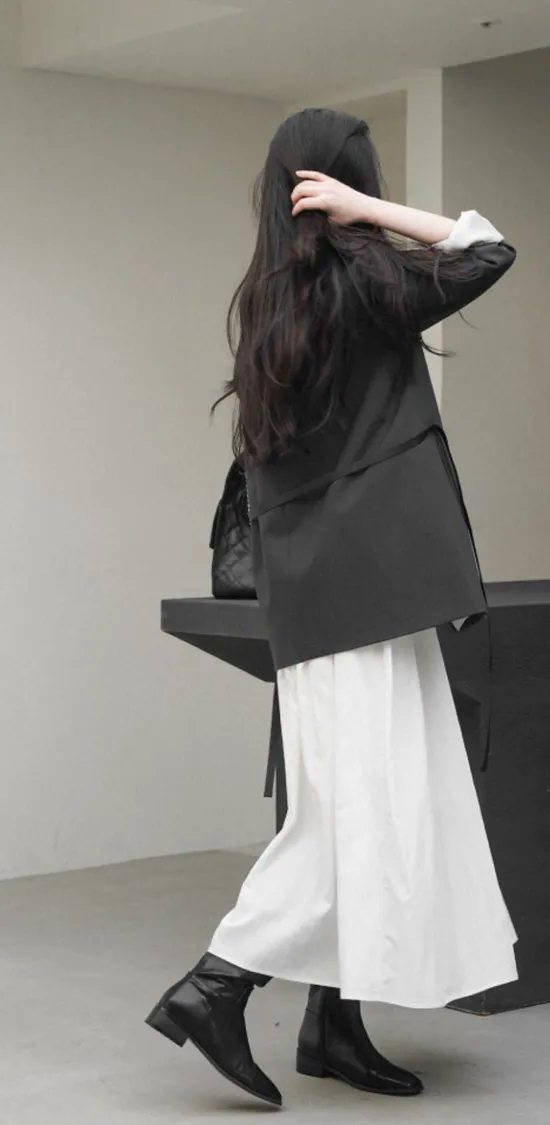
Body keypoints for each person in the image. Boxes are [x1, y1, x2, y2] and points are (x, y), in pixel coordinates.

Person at [145, 108, 518, 1107]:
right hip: (371, 596)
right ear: (345, 181)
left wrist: (348, 219)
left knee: (356, 805)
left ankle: (333, 1025)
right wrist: (371, 212)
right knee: (357, 816)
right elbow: (487, 247)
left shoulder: (271, 295)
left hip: (319, 597)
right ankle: (216, 984)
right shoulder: (365, 278)